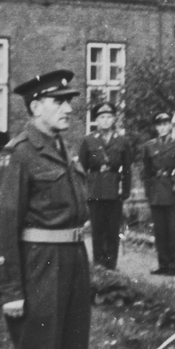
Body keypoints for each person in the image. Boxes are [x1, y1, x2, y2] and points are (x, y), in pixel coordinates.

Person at [0, 69, 90, 349]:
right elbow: (2, 224)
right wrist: (11, 290)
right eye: (58, 101)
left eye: (69, 101)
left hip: (73, 258)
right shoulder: (19, 154)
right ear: (35, 107)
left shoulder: (63, 147)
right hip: (41, 263)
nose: (68, 108)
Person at [77, 99, 133, 270]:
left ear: (114, 119)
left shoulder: (122, 141)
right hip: (95, 190)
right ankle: (99, 264)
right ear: (96, 120)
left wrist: (126, 191)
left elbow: (127, 169)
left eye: (109, 117)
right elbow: (81, 169)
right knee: (97, 230)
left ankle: (111, 265)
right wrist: (83, 192)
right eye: (102, 117)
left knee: (113, 230)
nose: (105, 120)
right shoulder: (89, 141)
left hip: (114, 190)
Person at [141, 111, 175, 276]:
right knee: (160, 231)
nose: (162, 128)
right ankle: (163, 264)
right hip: (156, 193)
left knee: (173, 231)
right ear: (156, 127)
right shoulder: (149, 146)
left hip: (173, 192)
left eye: (165, 124)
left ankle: (173, 265)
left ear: (170, 126)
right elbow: (146, 172)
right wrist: (148, 193)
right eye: (159, 125)